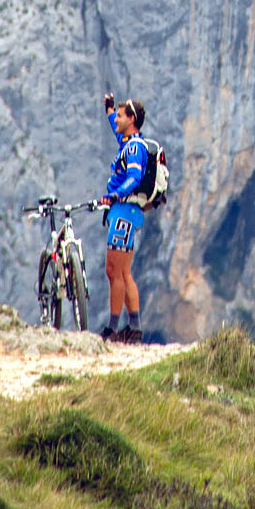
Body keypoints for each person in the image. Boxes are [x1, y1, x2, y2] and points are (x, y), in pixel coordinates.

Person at [99, 94, 149, 343]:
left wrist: (114, 194)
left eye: (120, 116)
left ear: (131, 120)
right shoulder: (128, 142)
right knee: (124, 272)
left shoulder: (134, 148)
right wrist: (109, 109)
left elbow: (134, 178)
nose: (115, 120)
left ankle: (113, 329)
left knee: (114, 270)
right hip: (126, 212)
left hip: (124, 210)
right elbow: (115, 128)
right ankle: (134, 328)